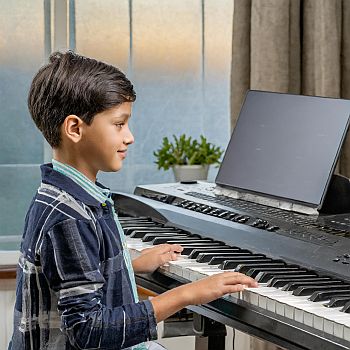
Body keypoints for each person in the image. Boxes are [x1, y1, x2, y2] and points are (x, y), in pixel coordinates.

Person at [9, 51, 258, 350]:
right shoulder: (70, 218)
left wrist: (130, 264)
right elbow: (87, 330)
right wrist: (189, 294)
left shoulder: (60, 196)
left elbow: (70, 271)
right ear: (75, 128)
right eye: (119, 124)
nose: (130, 137)